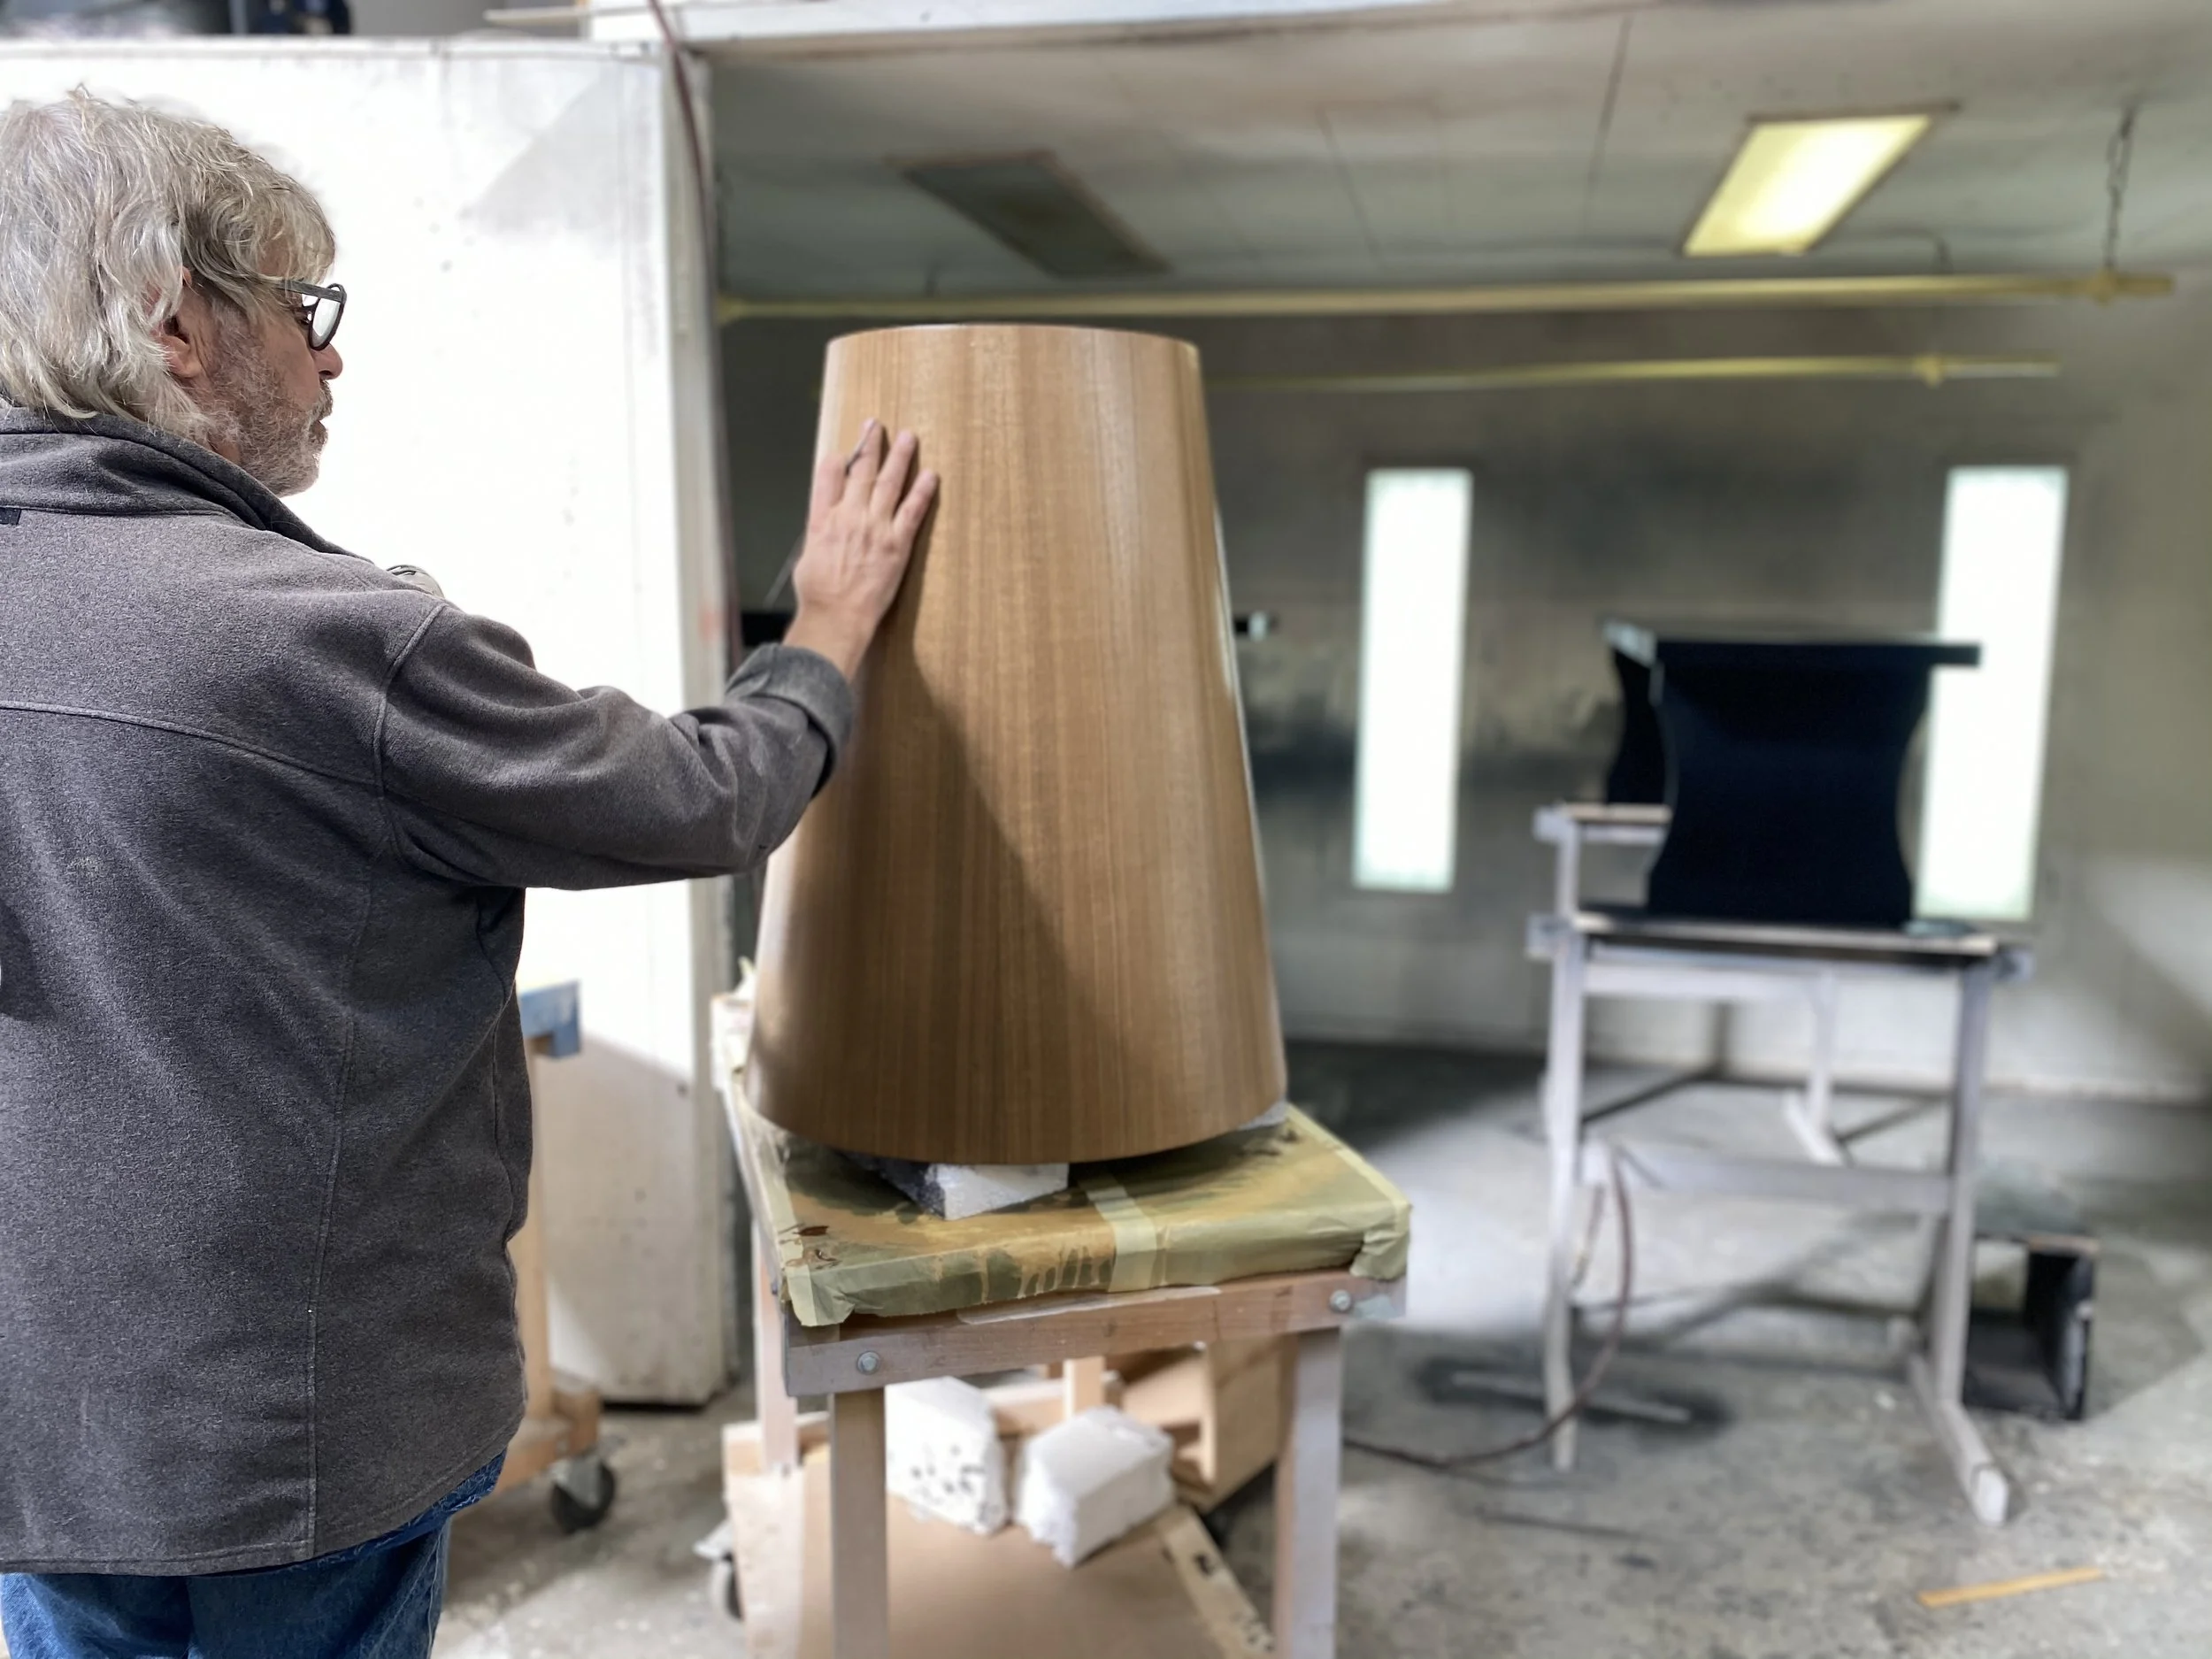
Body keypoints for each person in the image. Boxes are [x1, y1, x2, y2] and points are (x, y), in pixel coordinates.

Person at [0, 89, 936, 1657]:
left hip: (38, 1430)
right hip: (290, 1438)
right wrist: (826, 634)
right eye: (304, 311)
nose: (329, 354)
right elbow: (698, 800)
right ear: (174, 322)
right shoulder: (314, 639)